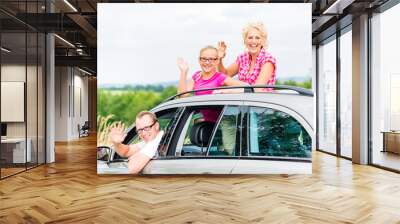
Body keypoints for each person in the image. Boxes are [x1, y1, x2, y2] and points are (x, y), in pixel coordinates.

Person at [177, 45, 247, 122]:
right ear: (199, 60)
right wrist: (183, 72)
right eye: (204, 59)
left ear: (217, 61)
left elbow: (247, 87)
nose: (207, 62)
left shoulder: (220, 77)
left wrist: (226, 91)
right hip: (207, 123)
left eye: (211, 59)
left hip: (224, 122)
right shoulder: (196, 76)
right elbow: (182, 96)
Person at [218, 22, 277, 91]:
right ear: (245, 41)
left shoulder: (268, 60)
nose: (253, 41)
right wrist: (219, 59)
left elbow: (257, 89)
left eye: (257, 38)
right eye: (250, 38)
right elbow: (225, 75)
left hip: (262, 101)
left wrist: (231, 90)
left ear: (263, 41)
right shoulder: (242, 58)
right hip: (244, 100)